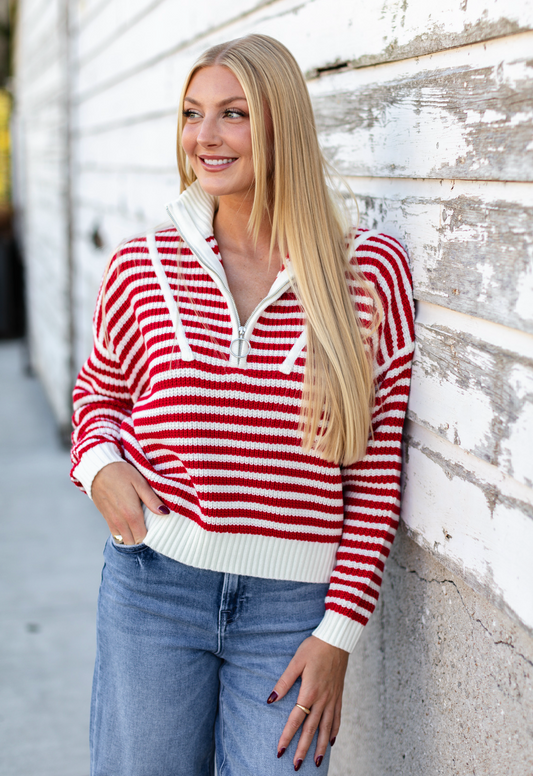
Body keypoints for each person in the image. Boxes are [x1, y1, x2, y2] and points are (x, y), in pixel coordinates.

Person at [71, 33, 415, 776]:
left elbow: (377, 471)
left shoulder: (367, 273)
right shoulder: (142, 265)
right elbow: (97, 394)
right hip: (152, 590)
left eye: (233, 114)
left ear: (279, 126)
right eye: (193, 114)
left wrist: (338, 635)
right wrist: (99, 466)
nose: (205, 136)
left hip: (290, 612)